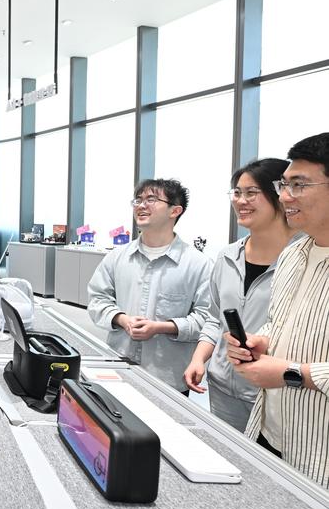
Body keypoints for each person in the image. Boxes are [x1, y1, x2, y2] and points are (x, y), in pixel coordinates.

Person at [227, 133, 329, 488]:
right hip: (270, 433)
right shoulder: (293, 255)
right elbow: (280, 321)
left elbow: (293, 369)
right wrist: (261, 342)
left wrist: (291, 373)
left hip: (318, 455)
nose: (285, 196)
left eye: (299, 185)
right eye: (284, 184)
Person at [183, 159, 298, 431]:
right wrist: (199, 358)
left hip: (276, 392)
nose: (240, 201)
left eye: (251, 193)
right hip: (224, 387)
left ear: (279, 196)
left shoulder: (301, 259)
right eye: (237, 192)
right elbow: (215, 319)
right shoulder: (227, 256)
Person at [87, 178, 212, 394]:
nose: (141, 205)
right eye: (138, 200)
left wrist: (162, 327)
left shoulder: (198, 264)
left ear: (175, 211)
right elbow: (97, 299)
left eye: (151, 199)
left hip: (168, 377)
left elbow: (208, 319)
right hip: (118, 367)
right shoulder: (117, 257)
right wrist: (122, 319)